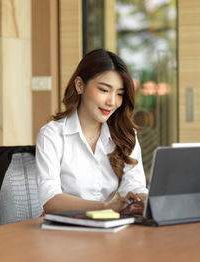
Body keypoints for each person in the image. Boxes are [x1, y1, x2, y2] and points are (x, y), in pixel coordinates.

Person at [35, 49, 148, 215]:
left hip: (108, 227)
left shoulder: (124, 134)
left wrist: (141, 200)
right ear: (80, 85)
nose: (112, 102)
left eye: (119, 94)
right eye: (104, 90)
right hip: (63, 230)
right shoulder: (52, 135)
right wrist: (108, 207)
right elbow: (51, 199)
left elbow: (134, 186)